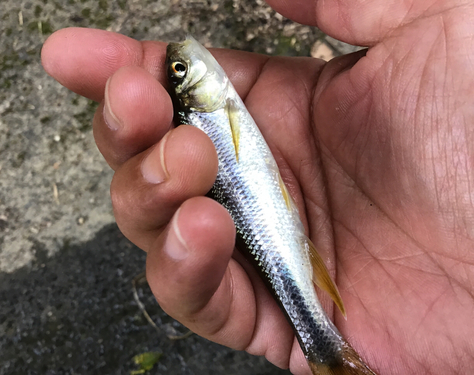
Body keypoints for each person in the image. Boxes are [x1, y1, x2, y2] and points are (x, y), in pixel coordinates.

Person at [41, 0, 474, 373]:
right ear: (194, 91)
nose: (186, 59)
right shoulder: (209, 109)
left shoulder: (211, 108)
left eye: (178, 68)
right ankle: (323, 347)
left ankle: (322, 346)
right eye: (182, 68)